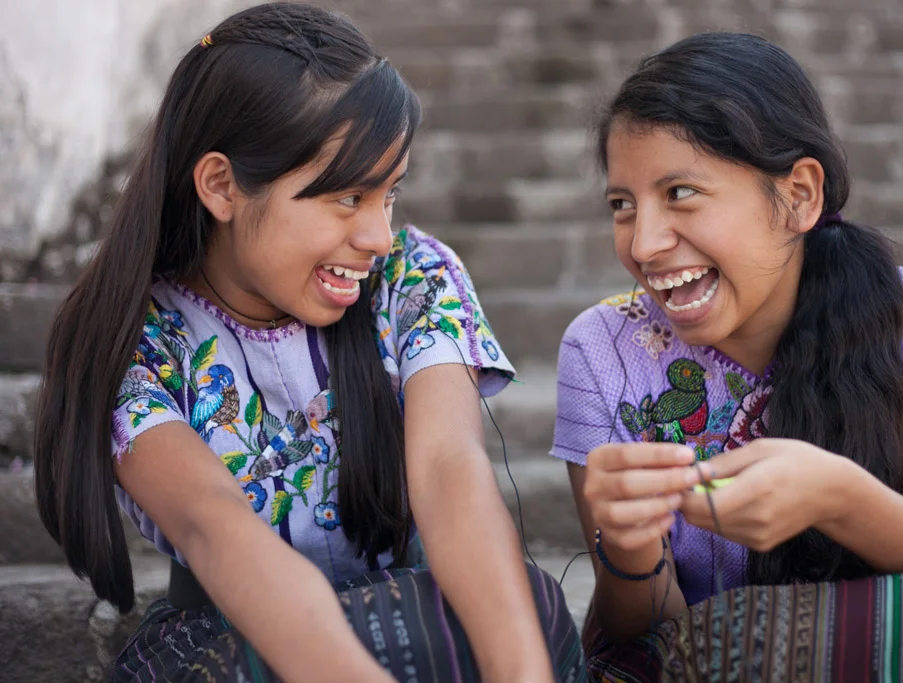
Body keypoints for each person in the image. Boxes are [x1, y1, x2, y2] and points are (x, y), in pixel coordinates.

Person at [33, 4, 584, 681]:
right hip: (238, 632)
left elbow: (449, 468)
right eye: (347, 198)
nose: (379, 235)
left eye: (390, 194)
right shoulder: (136, 342)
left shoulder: (414, 276)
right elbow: (214, 525)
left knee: (529, 609)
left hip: (415, 609)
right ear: (222, 185)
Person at [550, 32, 903, 681]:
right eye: (622, 204)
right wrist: (631, 547)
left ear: (798, 195)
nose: (645, 242)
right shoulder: (600, 348)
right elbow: (641, 627)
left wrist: (836, 496)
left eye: (681, 192)